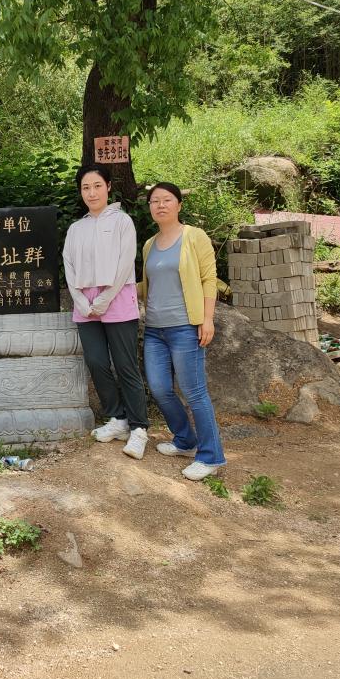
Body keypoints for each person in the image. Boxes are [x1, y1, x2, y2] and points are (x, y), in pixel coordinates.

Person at [140, 182, 227, 481]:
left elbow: (208, 279)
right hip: (155, 329)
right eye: (154, 201)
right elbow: (148, 286)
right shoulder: (149, 245)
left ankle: (211, 456)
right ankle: (185, 441)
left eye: (167, 200)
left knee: (194, 392)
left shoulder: (194, 236)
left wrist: (207, 319)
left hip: (185, 327)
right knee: (160, 388)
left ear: (179, 204)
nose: (160, 205)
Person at [63, 165, 150, 460]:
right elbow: (68, 265)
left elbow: (126, 263)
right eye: (86, 187)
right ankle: (118, 418)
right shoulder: (76, 228)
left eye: (97, 186)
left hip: (117, 299)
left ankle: (139, 428)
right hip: (85, 305)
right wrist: (79, 299)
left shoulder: (122, 221)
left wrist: (105, 298)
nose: (92, 193)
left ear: (108, 187)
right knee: (97, 361)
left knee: (126, 365)